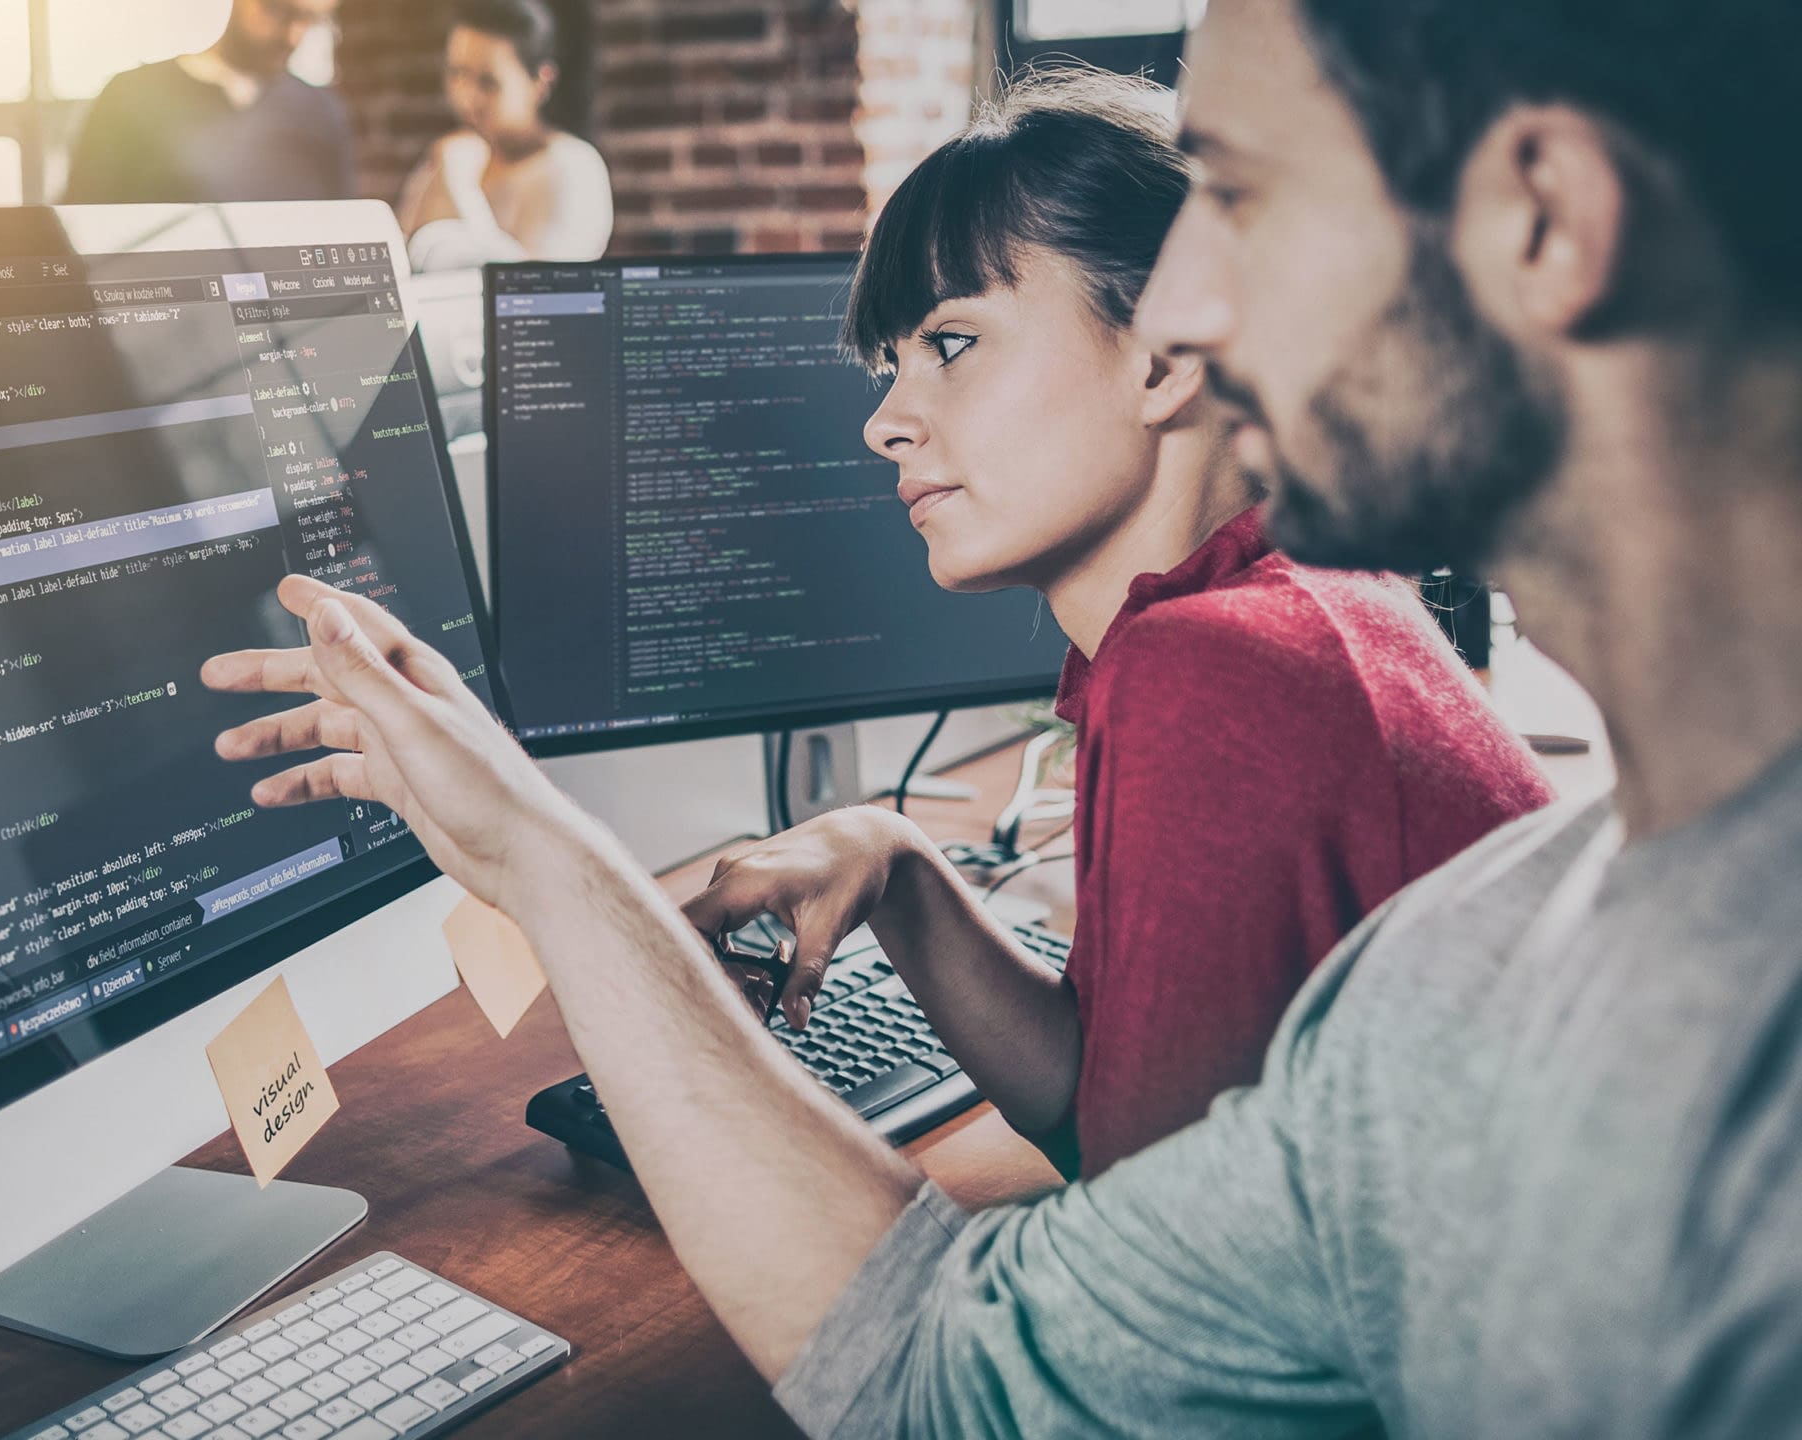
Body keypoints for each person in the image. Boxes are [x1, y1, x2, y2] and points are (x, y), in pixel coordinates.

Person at [202, 0, 1802, 1432]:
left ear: (1547, 218)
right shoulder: (1498, 935)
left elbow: (959, 1383)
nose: (1189, 312)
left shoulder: (1240, 676)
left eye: (1238, 196)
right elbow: (1127, 1215)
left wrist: (555, 864)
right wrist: (904, 867)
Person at [683, 69, 1549, 1181]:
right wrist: (899, 865)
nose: (884, 424)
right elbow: (1105, 1119)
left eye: (949, 344)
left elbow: (1135, 1245)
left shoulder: (1217, 669)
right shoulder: (1288, 600)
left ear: (1168, 353)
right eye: (886, 366)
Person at [60, 0, 351, 207]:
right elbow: (80, 226)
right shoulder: (130, 96)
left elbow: (341, 234)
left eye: (311, 19)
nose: (293, 35)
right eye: (278, 11)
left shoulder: (321, 112)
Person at [396, 0, 612, 267]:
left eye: (488, 82)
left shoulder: (573, 166)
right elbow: (400, 263)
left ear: (539, 82)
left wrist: (458, 185)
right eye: (457, 74)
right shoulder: (456, 152)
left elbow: (538, 292)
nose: (466, 97)